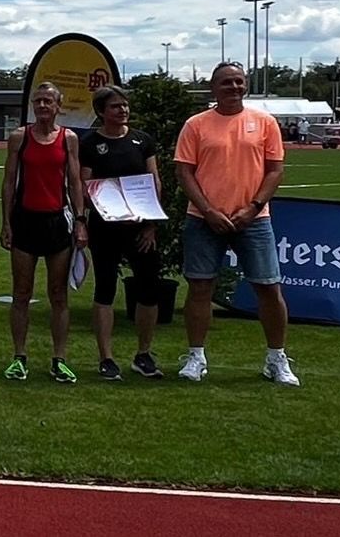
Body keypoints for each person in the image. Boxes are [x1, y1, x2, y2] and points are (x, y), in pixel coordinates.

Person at [176, 62, 296, 386]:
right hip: (204, 219)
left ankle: (276, 358)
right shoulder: (196, 124)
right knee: (200, 287)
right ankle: (196, 357)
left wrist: (253, 207)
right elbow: (184, 172)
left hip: (254, 219)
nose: (234, 87)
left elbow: (275, 171)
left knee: (268, 287)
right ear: (213, 88)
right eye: (226, 82)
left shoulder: (265, 122)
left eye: (239, 81)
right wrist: (208, 210)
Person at [0, 82, 88, 383]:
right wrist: (6, 222)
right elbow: (9, 181)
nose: (42, 106)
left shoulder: (69, 139)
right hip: (25, 221)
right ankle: (19, 357)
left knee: (59, 295)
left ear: (58, 106)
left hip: (56, 223)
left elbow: (75, 182)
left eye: (48, 101)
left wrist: (80, 220)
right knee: (21, 293)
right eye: (38, 101)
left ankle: (59, 359)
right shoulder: (19, 137)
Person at [79, 86, 166, 381]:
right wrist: (109, 209)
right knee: (105, 289)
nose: (123, 110)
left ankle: (144, 354)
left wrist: (151, 224)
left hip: (140, 228)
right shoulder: (90, 143)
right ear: (101, 111)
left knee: (149, 289)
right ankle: (106, 358)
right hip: (105, 227)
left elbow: (154, 182)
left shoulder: (142, 140)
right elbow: (85, 187)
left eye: (125, 105)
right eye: (116, 106)